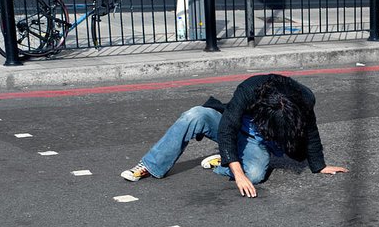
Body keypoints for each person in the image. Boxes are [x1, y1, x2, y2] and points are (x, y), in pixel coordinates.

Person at [121, 73, 347, 197]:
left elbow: (311, 130)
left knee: (256, 174)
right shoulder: (250, 88)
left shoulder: (304, 98)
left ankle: (226, 160)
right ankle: (151, 165)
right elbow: (227, 127)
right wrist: (238, 175)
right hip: (238, 124)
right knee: (194, 115)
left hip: (260, 137)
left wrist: (319, 165)